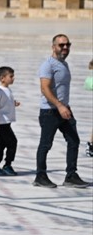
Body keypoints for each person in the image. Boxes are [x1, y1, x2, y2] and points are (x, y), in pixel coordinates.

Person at [35, 34, 88, 188]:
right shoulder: (48, 65)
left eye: (67, 45)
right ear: (53, 47)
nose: (65, 48)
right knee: (45, 144)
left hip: (64, 109)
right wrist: (59, 105)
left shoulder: (64, 64)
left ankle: (71, 175)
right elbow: (44, 88)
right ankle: (40, 176)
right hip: (50, 111)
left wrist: (65, 106)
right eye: (61, 45)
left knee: (74, 141)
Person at [0, 66, 20, 176]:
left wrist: (13, 103)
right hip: (3, 123)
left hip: (7, 122)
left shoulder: (7, 90)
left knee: (1, 144)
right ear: (2, 78)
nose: (13, 78)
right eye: (11, 76)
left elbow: (4, 103)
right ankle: (7, 165)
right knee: (12, 142)